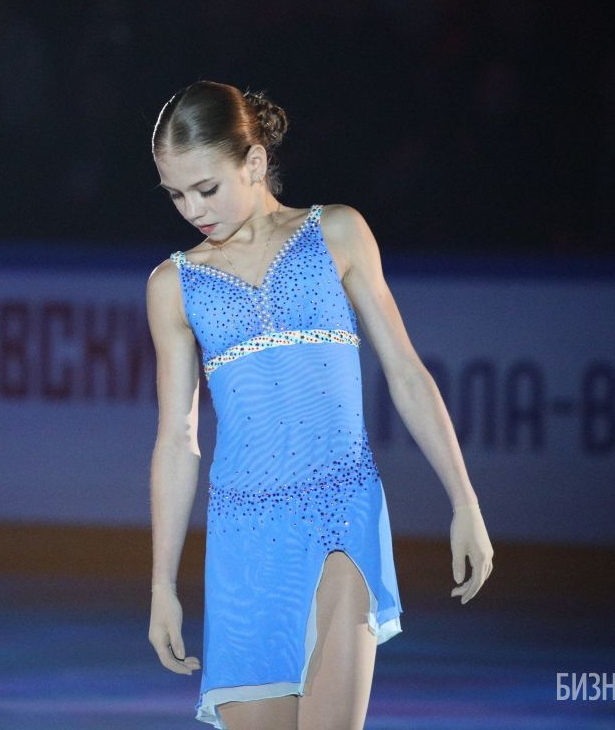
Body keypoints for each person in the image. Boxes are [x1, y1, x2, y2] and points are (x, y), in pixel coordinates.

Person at [145, 80, 493, 730]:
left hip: (342, 512)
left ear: (252, 163)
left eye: (207, 187)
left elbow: (407, 373)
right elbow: (177, 440)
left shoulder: (336, 232)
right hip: (244, 539)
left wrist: (465, 501)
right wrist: (163, 585)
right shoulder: (175, 285)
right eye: (177, 193)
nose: (193, 208)